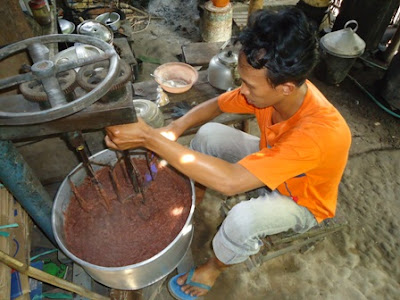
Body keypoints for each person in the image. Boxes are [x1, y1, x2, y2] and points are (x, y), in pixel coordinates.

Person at [105, 7, 351, 299]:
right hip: (276, 158)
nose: (242, 90)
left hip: (303, 199)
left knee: (240, 220)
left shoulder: (320, 133)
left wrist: (150, 138)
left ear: (285, 87)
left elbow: (232, 182)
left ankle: (214, 267)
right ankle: (196, 198)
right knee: (209, 135)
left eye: (248, 85)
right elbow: (219, 104)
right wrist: (174, 129)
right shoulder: (270, 93)